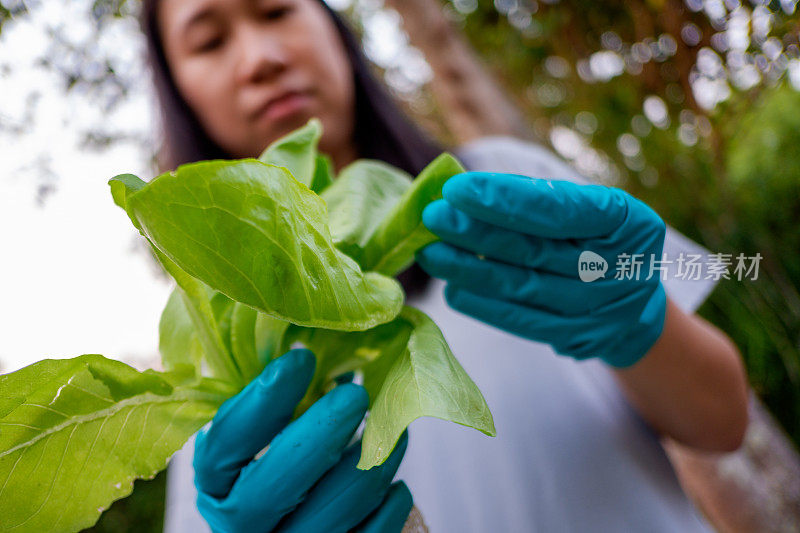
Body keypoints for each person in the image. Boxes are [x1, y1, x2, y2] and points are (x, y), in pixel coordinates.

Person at [138, 0, 751, 531]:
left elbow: (724, 422)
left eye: (277, 11)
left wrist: (635, 319)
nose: (260, 57)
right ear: (180, 93)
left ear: (335, 29)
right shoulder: (214, 337)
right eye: (210, 41)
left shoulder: (507, 183)